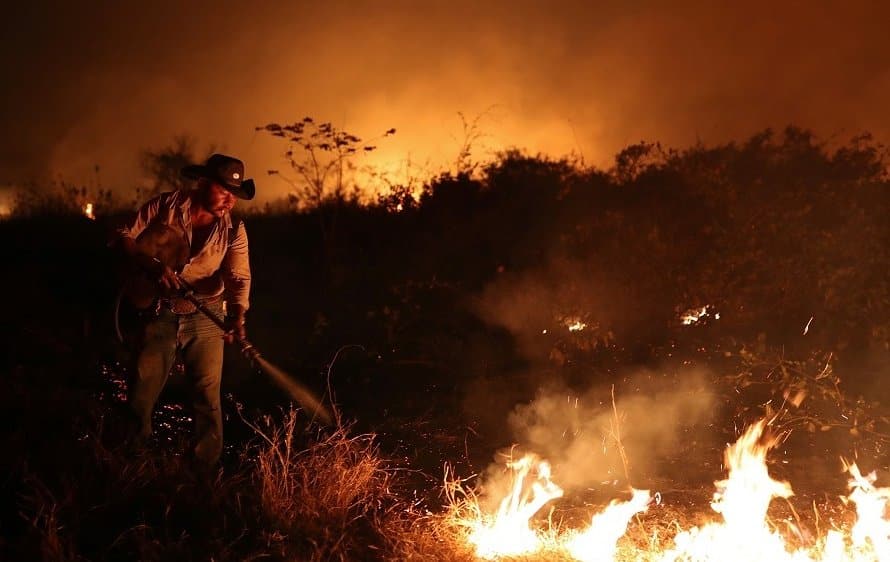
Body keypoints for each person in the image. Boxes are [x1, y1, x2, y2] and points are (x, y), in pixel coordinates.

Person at [113, 153, 254, 465]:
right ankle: (131, 462)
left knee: (207, 396)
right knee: (142, 388)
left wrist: (237, 316)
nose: (229, 200)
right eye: (222, 191)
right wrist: (149, 264)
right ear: (202, 182)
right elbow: (124, 234)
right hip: (159, 308)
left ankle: (204, 472)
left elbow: (238, 277)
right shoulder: (165, 206)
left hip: (206, 312)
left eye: (234, 194)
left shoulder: (234, 229)